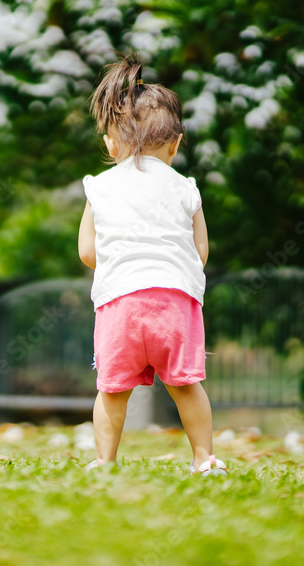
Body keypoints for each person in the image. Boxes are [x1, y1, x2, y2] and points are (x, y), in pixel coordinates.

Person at [78, 53, 226, 475]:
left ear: (110, 142)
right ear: (176, 144)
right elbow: (201, 251)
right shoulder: (186, 188)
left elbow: (88, 253)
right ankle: (203, 458)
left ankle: (105, 461)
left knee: (112, 391)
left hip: (120, 305)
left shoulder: (99, 188)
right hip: (174, 304)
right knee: (186, 385)